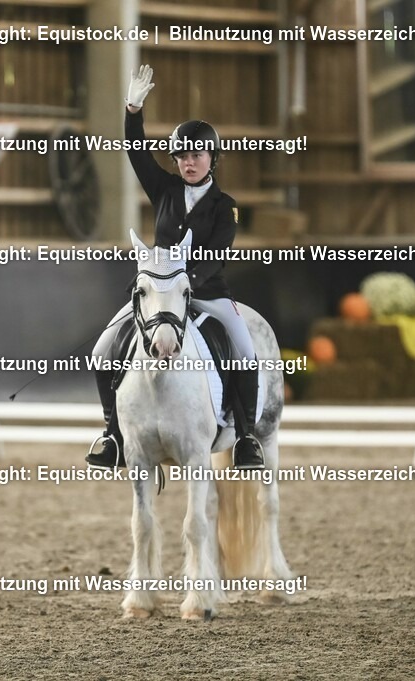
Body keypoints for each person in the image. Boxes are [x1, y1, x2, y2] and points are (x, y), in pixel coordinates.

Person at [85, 65, 266, 472]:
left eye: (196, 154)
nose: (188, 162)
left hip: (207, 293)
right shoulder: (164, 189)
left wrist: (188, 281)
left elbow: (218, 252)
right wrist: (132, 109)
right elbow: (135, 151)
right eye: (182, 155)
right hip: (159, 293)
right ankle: (112, 435)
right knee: (101, 352)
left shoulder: (225, 206)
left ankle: (247, 438)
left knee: (244, 350)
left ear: (212, 158)